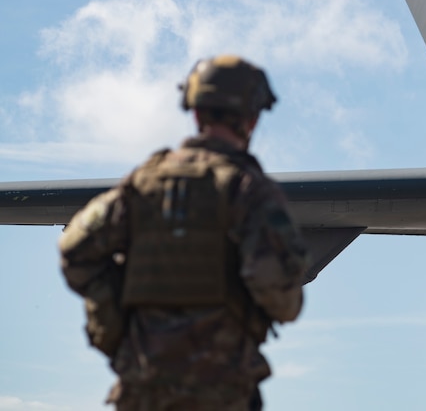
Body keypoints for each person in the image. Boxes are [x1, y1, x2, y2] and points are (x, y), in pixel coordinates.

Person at [58, 55, 308, 410]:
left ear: (196, 113)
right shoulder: (250, 191)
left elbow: (75, 250)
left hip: (142, 387)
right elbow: (281, 299)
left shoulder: (142, 184)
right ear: (251, 120)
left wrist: (116, 327)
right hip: (221, 390)